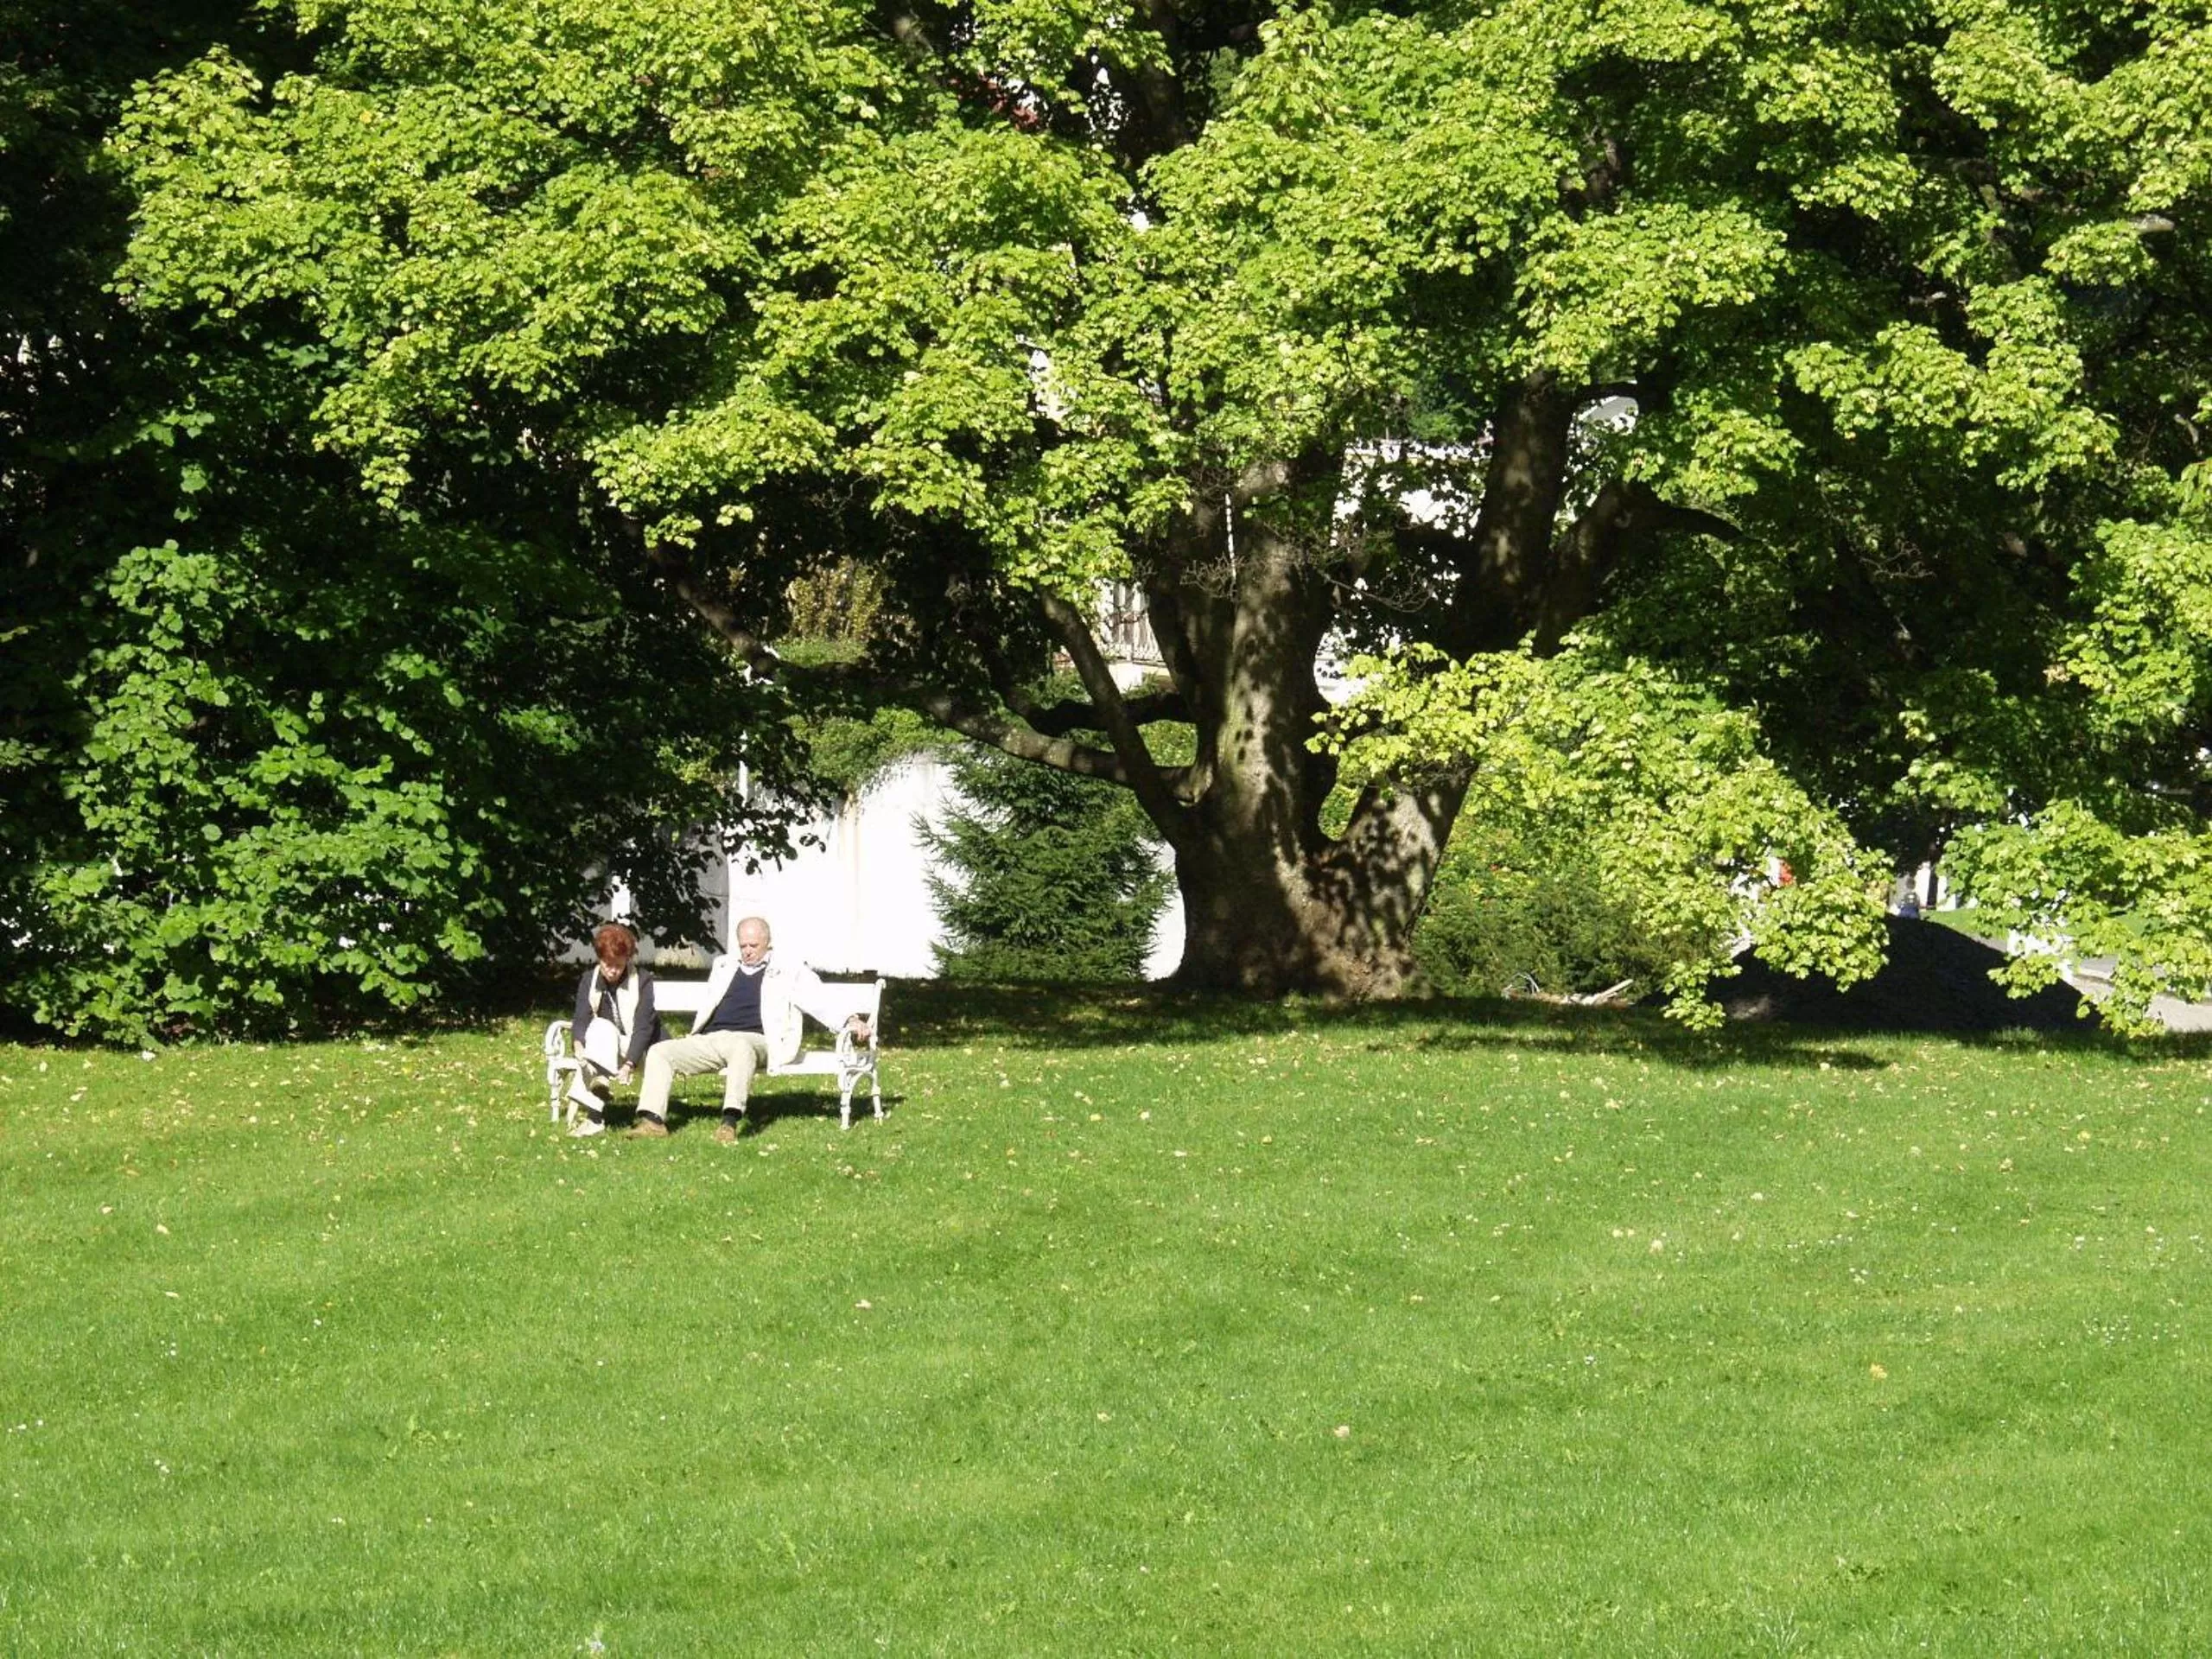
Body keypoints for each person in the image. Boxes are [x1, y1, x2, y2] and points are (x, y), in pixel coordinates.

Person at [632, 914, 825, 1142]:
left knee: (740, 1045)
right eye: (743, 945)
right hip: (713, 1038)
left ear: (768, 942)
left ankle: (729, 1122)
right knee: (660, 1051)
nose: (747, 951)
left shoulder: (788, 969)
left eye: (753, 945)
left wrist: (849, 1020)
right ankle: (653, 1121)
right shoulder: (724, 965)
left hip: (758, 1040)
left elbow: (820, 998)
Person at [567, 922, 665, 1138]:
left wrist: (630, 1063)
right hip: (605, 1047)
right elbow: (581, 1017)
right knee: (600, 1027)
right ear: (599, 958)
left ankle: (593, 1110)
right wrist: (577, 1044)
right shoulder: (589, 980)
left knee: (601, 1035)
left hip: (645, 1048)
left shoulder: (642, 980)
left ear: (627, 960)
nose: (611, 970)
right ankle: (597, 1103)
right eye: (606, 963)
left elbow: (644, 1027)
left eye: (618, 965)